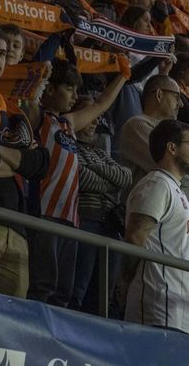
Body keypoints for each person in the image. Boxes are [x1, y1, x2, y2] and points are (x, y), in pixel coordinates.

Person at [23, 59, 125, 307]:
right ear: (49, 88)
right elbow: (28, 97)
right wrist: (42, 70)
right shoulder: (37, 117)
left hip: (71, 218)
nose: (75, 96)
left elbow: (101, 104)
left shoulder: (67, 124)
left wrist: (123, 75)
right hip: (44, 214)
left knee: (63, 292)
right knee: (41, 286)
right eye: (69, 88)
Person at [122, 120, 189, 336]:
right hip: (158, 305)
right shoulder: (157, 182)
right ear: (171, 147)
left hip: (181, 308)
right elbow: (136, 236)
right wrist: (125, 283)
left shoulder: (177, 190)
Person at [0, 27, 49, 298]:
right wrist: (18, 161)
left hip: (16, 229)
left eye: (2, 54)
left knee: (8, 334)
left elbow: (39, 165)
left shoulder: (10, 107)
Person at [70, 100, 132, 314]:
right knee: (78, 287)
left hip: (110, 227)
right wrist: (108, 181)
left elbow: (125, 177)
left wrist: (93, 167)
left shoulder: (100, 154)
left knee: (103, 296)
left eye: (97, 118)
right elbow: (81, 178)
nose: (95, 122)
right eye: (90, 116)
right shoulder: (68, 148)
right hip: (85, 221)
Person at [119, 75, 183, 188]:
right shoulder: (137, 125)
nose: (181, 104)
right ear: (159, 95)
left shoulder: (168, 129)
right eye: (176, 97)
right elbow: (171, 166)